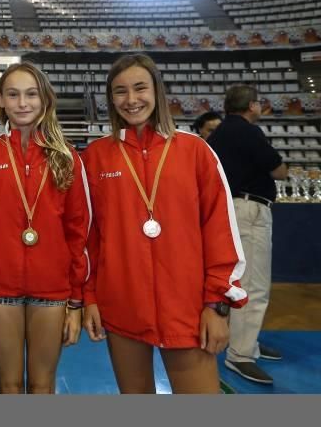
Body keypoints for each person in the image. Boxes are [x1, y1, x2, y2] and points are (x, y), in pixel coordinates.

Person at [81, 53, 247, 394]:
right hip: (121, 306)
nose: (131, 100)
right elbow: (90, 238)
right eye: (120, 91)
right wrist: (90, 297)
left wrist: (216, 305)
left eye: (140, 88)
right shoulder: (96, 156)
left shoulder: (195, 151)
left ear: (157, 91)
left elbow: (220, 232)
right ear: (111, 99)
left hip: (186, 308)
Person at [0, 62, 90, 394]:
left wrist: (76, 301)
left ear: (45, 99)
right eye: (13, 94)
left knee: (42, 383)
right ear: (1, 101)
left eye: (31, 94)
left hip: (52, 291)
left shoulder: (67, 158)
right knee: (7, 384)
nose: (23, 103)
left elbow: (78, 231)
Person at [208, 85, 287, 385]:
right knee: (253, 285)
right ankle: (241, 354)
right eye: (258, 104)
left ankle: (246, 343)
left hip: (231, 211)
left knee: (239, 281)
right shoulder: (248, 132)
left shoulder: (218, 133)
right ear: (252, 106)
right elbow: (279, 170)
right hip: (249, 210)